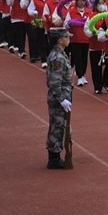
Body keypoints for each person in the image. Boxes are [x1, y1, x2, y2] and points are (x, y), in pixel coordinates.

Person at [45, 27, 73, 169]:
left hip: (62, 96)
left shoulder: (60, 54)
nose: (69, 39)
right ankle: (54, 158)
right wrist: (61, 99)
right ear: (60, 40)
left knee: (60, 126)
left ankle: (55, 155)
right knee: (57, 126)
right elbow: (55, 82)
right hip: (58, 98)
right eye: (66, 37)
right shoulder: (58, 58)